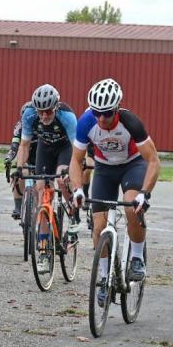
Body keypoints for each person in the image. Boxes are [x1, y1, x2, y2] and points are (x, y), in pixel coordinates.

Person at [69, 78, 160, 307]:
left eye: (107, 113)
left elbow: (153, 161)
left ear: (117, 109)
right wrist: (78, 189)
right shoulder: (85, 122)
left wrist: (144, 193)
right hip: (104, 168)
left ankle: (137, 258)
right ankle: (103, 277)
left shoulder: (131, 123)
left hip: (132, 165)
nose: (101, 118)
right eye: (97, 112)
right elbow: (76, 160)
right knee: (99, 227)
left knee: (131, 207)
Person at [16, 84, 77, 226]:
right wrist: (19, 168)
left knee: (61, 178)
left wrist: (71, 170)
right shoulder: (29, 114)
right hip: (45, 147)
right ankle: (43, 239)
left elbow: (77, 148)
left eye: (48, 112)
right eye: (40, 112)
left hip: (65, 147)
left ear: (56, 107)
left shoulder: (67, 115)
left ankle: (72, 208)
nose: (44, 116)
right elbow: (24, 145)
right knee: (41, 187)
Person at [4, 102, 36, 219]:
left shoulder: (41, 124)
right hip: (26, 156)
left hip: (40, 155)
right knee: (18, 174)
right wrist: (8, 158)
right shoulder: (19, 127)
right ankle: (18, 206)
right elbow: (14, 147)